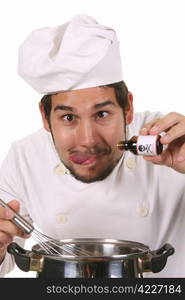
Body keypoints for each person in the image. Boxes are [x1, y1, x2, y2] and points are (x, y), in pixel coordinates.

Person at [0, 14, 184, 278]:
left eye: (102, 114)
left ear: (128, 108)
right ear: (45, 118)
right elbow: (5, 260)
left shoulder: (168, 143)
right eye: (68, 117)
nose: (88, 139)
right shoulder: (25, 158)